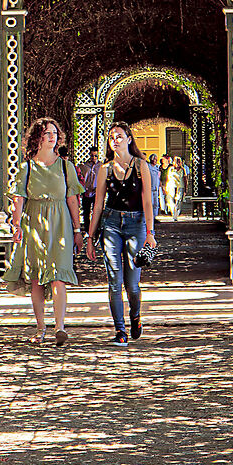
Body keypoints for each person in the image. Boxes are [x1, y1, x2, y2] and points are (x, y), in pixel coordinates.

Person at [6, 118, 83, 348]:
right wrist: (16, 224)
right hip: (34, 224)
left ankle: (60, 327)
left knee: (59, 277)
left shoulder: (65, 166)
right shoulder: (27, 168)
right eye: (47, 133)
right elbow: (18, 198)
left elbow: (72, 200)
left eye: (55, 133)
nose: (52, 137)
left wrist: (78, 230)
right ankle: (41, 328)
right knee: (37, 279)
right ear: (37, 138)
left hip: (61, 225)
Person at [81, 121, 157, 346]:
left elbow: (147, 202)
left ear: (129, 139)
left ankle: (135, 316)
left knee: (132, 284)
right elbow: (97, 206)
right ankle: (120, 331)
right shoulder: (105, 168)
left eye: (120, 136)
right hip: (111, 224)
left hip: (136, 224)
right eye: (112, 137)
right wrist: (90, 238)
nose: (115, 140)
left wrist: (150, 233)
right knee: (114, 280)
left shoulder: (141, 165)